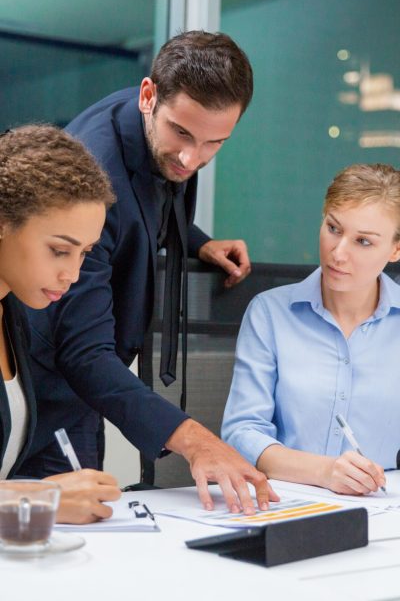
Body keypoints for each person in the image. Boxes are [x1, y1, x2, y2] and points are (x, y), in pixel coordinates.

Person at [19, 31, 277, 513]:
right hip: (44, 386)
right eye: (182, 134)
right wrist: (197, 441)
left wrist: (196, 241)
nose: (191, 158)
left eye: (213, 143)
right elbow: (82, 352)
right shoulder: (96, 183)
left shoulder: (167, 122)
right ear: (147, 96)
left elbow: (152, 201)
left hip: (83, 384)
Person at [222, 163, 400, 496]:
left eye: (363, 241)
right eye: (333, 228)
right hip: (288, 501)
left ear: (395, 249)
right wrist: (327, 471)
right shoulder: (270, 313)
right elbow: (242, 433)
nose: (338, 252)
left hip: (385, 507)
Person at [0, 124, 121, 523]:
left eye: (84, 253)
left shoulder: (16, 315)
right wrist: (40, 498)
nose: (72, 274)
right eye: (59, 251)